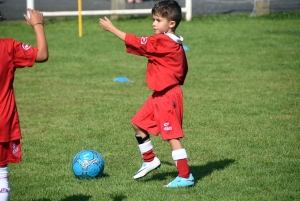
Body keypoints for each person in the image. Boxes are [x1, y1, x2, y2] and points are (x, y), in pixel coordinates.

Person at [100, 0, 194, 188]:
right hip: (159, 95)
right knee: (138, 123)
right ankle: (150, 160)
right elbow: (184, 69)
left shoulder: (163, 41)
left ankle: (185, 176)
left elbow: (136, 42)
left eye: (158, 20)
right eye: (153, 19)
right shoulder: (175, 42)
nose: (154, 24)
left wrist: (112, 29)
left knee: (172, 136)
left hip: (168, 96)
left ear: (171, 23)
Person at [0, 8, 48, 200]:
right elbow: (42, 54)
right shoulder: (8, 47)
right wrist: (37, 25)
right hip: (3, 122)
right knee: (1, 169)